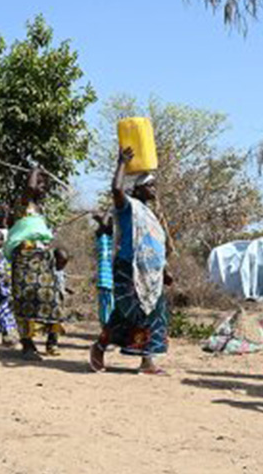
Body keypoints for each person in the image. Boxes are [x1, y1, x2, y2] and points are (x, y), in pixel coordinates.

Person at [90, 147, 172, 375]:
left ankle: (147, 361)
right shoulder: (128, 208)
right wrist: (122, 163)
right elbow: (116, 188)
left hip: (151, 275)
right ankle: (99, 347)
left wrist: (164, 270)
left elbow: (154, 245)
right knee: (130, 312)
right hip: (129, 268)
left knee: (153, 313)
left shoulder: (149, 215)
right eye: (150, 185)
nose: (154, 189)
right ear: (137, 189)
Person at [5, 167, 63, 361]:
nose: (42, 187)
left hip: (43, 257)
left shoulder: (41, 210)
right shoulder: (22, 203)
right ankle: (28, 344)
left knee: (51, 296)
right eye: (40, 183)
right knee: (24, 299)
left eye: (45, 184)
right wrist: (36, 170)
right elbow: (29, 187)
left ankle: (51, 339)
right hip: (24, 256)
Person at [93, 211, 115, 327]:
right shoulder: (103, 240)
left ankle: (109, 329)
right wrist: (102, 220)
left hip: (112, 280)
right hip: (106, 280)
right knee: (106, 306)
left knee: (109, 306)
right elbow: (101, 229)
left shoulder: (114, 241)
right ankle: (107, 329)